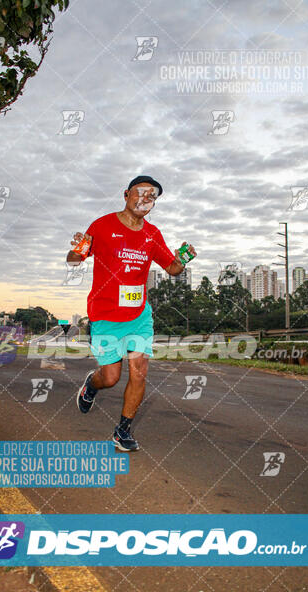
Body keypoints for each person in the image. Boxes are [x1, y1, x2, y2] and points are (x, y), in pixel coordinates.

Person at [67, 176, 196, 451]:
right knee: (111, 378)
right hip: (105, 314)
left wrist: (182, 259)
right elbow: (75, 259)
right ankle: (92, 384)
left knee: (139, 371)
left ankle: (122, 431)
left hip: (139, 316)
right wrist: (76, 250)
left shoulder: (152, 234)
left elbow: (172, 269)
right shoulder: (102, 226)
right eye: (141, 193)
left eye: (152, 197)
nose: (146, 200)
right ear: (126, 195)